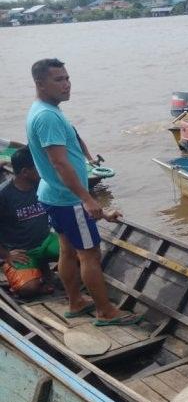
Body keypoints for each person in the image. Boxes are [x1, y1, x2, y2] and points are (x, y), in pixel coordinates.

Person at [26, 58, 140, 326]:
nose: (66, 85)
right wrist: (87, 199)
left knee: (67, 250)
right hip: (68, 198)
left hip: (52, 194)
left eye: (67, 78)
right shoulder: (47, 116)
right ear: (40, 83)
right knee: (89, 254)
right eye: (58, 80)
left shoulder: (43, 110)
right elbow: (60, 162)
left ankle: (75, 301)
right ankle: (106, 312)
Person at [0, 146, 59, 298]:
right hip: (21, 252)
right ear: (25, 172)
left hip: (46, 241)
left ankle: (44, 268)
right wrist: (6, 255)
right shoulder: (4, 195)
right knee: (28, 289)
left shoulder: (43, 185)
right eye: (38, 167)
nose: (43, 170)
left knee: (83, 254)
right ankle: (33, 273)